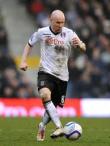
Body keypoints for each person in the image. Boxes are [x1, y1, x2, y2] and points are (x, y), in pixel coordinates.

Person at [20, 9, 86, 141]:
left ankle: (42, 125)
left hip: (62, 75)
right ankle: (59, 126)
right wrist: (23, 61)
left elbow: (83, 47)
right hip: (46, 71)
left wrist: (79, 45)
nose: (60, 25)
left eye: (62, 22)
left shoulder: (69, 33)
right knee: (45, 94)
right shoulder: (42, 32)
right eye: (57, 22)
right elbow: (29, 44)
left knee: (52, 108)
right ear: (51, 20)